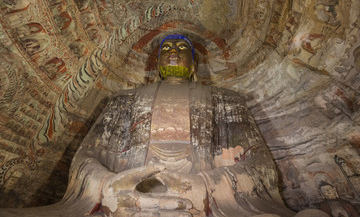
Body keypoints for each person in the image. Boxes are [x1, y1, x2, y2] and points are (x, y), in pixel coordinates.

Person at [0, 35, 324, 216]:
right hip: (124, 200)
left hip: (209, 200)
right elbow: (86, 158)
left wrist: (209, 186)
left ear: (194, 64)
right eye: (166, 49)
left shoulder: (227, 99)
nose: (173, 53)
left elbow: (260, 164)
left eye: (182, 49)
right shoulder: (123, 99)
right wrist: (107, 188)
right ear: (154, 64)